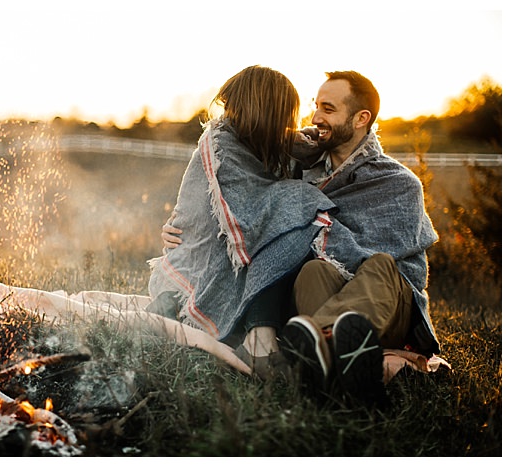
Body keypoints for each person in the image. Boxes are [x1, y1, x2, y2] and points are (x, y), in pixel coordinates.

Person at [162, 71, 441, 406]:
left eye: (328, 109)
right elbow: (248, 208)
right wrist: (190, 229)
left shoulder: (398, 183)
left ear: (360, 119)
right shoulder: (299, 166)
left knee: (379, 265)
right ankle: (339, 365)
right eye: (315, 106)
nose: (315, 118)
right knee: (314, 271)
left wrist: (324, 230)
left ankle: (311, 342)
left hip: (384, 305)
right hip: (326, 292)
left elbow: (398, 264)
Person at [146, 65, 341, 381]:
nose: (292, 122)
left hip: (235, 258)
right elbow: (245, 214)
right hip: (194, 272)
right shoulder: (220, 143)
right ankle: (257, 336)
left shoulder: (269, 144)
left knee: (291, 221)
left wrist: (305, 145)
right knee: (293, 209)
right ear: (267, 111)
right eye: (286, 114)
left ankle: (261, 334)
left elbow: (267, 201)